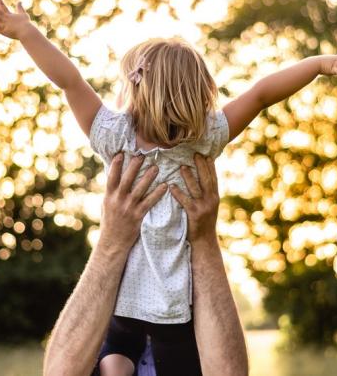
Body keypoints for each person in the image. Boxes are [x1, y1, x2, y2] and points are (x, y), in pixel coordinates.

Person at [0, 0, 337, 374]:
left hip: (126, 303)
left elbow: (69, 80)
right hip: (176, 307)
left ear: (138, 89)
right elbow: (260, 95)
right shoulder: (203, 139)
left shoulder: (118, 137)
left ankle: (117, 365)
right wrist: (318, 65)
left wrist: (27, 33)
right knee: (154, 360)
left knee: (116, 360)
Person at [42, 152, 248, 375]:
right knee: (165, 340)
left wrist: (111, 242)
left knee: (116, 359)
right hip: (177, 329)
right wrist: (204, 240)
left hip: (126, 324)